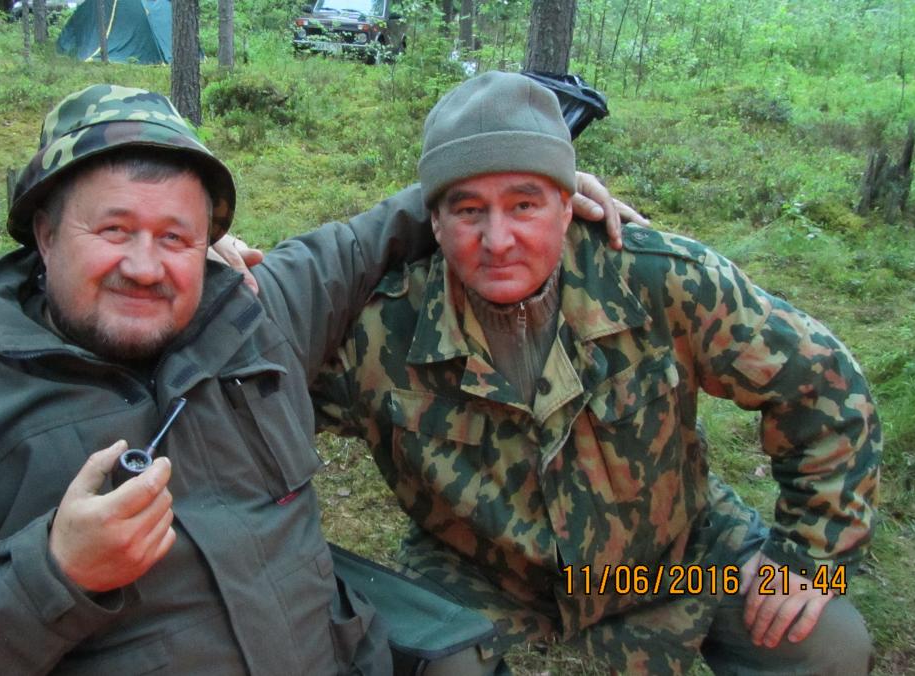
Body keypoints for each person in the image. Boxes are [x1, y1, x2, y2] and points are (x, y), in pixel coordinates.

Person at [0, 83, 630, 674]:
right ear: (43, 234)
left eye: (175, 238)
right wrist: (53, 575)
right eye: (113, 230)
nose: (145, 266)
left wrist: (523, 180)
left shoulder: (254, 318)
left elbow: (365, 238)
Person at [311, 72, 880, 675]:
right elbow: (257, 399)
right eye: (469, 210)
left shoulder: (657, 279)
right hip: (483, 573)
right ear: (434, 220)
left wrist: (807, 558)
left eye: (525, 205)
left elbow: (823, 385)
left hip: (671, 562)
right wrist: (240, 276)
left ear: (568, 205)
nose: (498, 240)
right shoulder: (383, 329)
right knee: (436, 668)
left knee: (830, 645)